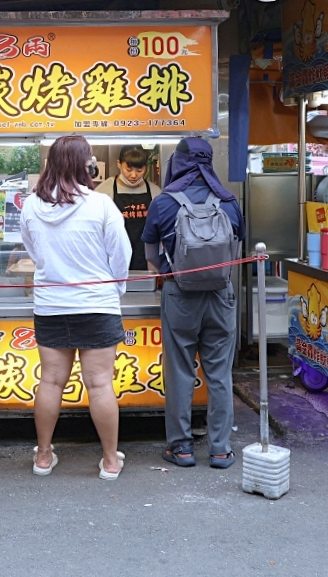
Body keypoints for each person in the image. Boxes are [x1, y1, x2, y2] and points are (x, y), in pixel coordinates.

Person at [20, 135, 130, 480]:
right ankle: (110, 461)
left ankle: (43, 456)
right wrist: (116, 288)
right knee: (99, 384)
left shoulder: (30, 206)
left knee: (51, 382)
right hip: (97, 304)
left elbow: (34, 253)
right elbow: (121, 256)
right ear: (85, 164)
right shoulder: (101, 205)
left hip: (52, 304)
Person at [142, 137, 246, 471]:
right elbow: (236, 251)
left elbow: (150, 259)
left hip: (179, 295)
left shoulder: (163, 202)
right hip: (220, 295)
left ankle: (182, 448)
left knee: (180, 373)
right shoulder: (229, 202)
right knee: (219, 374)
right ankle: (219, 449)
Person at [95, 145, 161, 272]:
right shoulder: (104, 191)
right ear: (119, 164)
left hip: (146, 260)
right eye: (128, 169)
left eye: (140, 170)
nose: (134, 175)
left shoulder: (155, 192)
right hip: (113, 258)